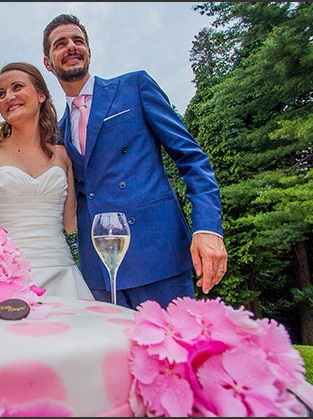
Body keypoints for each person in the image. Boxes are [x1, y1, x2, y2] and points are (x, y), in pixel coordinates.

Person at [41, 14, 228, 309]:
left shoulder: (134, 86)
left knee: (173, 350)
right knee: (115, 356)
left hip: (158, 255)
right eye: (60, 43)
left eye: (78, 40)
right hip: (98, 271)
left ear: (89, 50)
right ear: (48, 62)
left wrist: (208, 228)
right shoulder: (57, 132)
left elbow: (192, 158)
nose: (71, 46)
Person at [0, 61, 94, 300]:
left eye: (16, 87)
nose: (8, 97)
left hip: (63, 276)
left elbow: (71, 222)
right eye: (1, 94)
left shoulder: (63, 155)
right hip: (5, 279)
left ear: (41, 95)